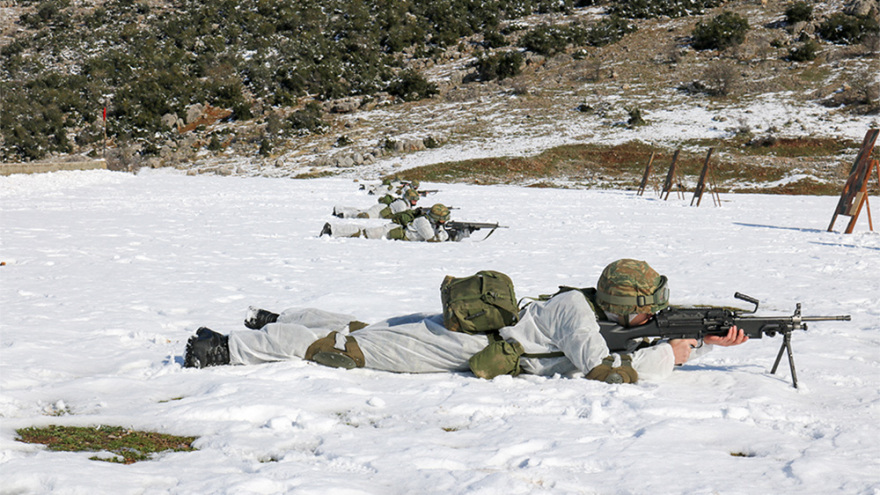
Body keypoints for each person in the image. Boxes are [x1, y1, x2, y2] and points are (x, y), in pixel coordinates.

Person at [183, 259, 748, 383]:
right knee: (342, 349)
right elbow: (605, 374)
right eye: (647, 308)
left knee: (361, 329)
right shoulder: (577, 315)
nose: (651, 315)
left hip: (464, 332)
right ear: (624, 304)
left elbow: (623, 341)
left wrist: (699, 338)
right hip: (457, 347)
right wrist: (667, 358)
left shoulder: (585, 304)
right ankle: (224, 348)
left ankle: (275, 317)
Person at [319, 203, 453, 242]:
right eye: (442, 219)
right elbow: (431, 240)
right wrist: (442, 232)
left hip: (396, 232)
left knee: (365, 231)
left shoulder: (431, 223)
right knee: (365, 232)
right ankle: (332, 229)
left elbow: (440, 237)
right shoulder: (423, 222)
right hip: (391, 231)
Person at [332, 187, 421, 219]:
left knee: (362, 211)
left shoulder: (406, 204)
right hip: (380, 210)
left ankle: (341, 209)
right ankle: (344, 214)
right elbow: (400, 216)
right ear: (408, 198)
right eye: (414, 199)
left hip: (382, 210)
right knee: (364, 216)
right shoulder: (402, 205)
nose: (416, 201)